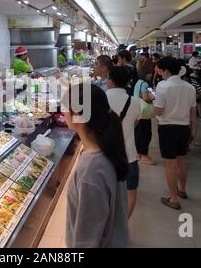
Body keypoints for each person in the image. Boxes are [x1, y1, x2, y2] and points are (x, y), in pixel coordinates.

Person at [64, 84, 129, 248]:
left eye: (65, 108)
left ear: (78, 114)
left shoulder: (91, 172)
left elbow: (86, 241)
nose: (63, 113)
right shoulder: (108, 149)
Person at [154, 57, 197, 210]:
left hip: (167, 128)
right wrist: (193, 130)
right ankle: (182, 190)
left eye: (160, 70)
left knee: (169, 165)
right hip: (184, 128)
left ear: (166, 70)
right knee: (181, 161)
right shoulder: (189, 87)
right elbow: (193, 111)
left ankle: (173, 198)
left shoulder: (162, 86)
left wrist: (151, 106)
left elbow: (158, 110)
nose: (160, 73)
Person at [107, 67, 141, 218]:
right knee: (130, 192)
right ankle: (122, 225)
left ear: (110, 81)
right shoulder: (134, 102)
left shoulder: (101, 98)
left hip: (105, 157)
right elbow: (134, 123)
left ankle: (107, 229)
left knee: (105, 195)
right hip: (129, 156)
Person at [134, 65, 156, 165]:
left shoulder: (138, 82)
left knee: (138, 133)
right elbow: (146, 98)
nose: (151, 75)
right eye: (149, 73)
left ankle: (138, 154)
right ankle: (144, 155)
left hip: (137, 111)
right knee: (146, 134)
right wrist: (152, 98)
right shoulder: (145, 84)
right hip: (144, 113)